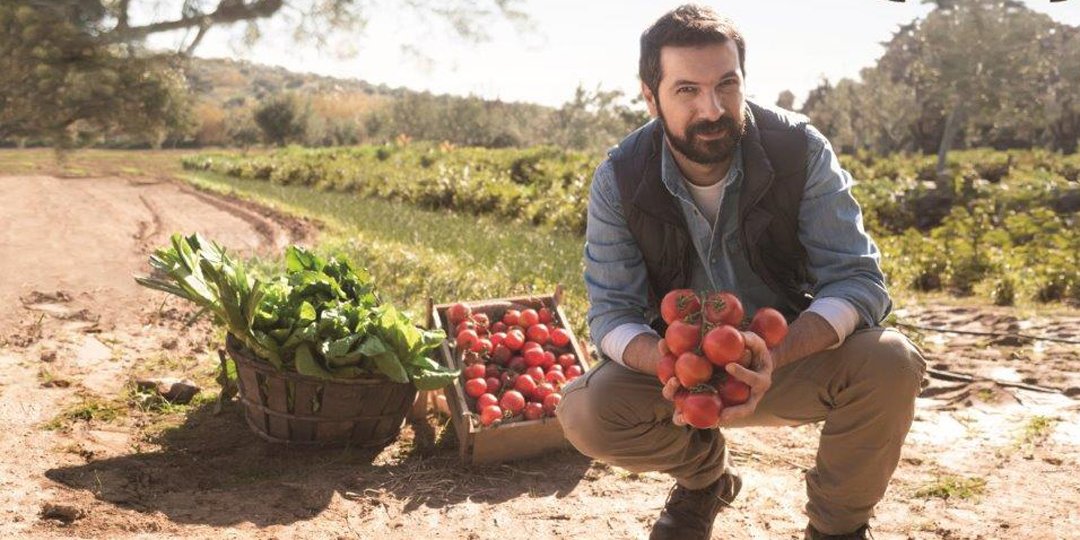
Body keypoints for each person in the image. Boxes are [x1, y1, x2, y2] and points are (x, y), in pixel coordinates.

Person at [555, 5, 927, 540]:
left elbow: (857, 280)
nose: (713, 108)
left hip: (791, 359)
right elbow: (612, 312)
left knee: (890, 361)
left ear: (743, 80)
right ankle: (705, 480)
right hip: (681, 382)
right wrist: (669, 365)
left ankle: (836, 528)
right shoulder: (620, 176)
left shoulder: (799, 150)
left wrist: (772, 354)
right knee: (587, 411)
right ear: (649, 95)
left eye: (726, 84)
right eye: (686, 90)